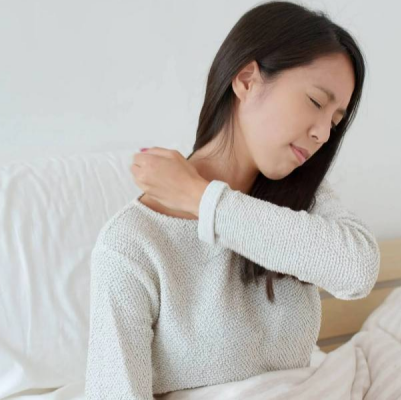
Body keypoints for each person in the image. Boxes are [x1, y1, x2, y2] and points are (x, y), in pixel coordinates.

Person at [85, 1, 380, 398]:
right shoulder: (132, 243)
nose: (323, 134)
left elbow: (358, 270)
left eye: (335, 121)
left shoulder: (302, 200)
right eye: (315, 102)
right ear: (246, 80)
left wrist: (201, 199)